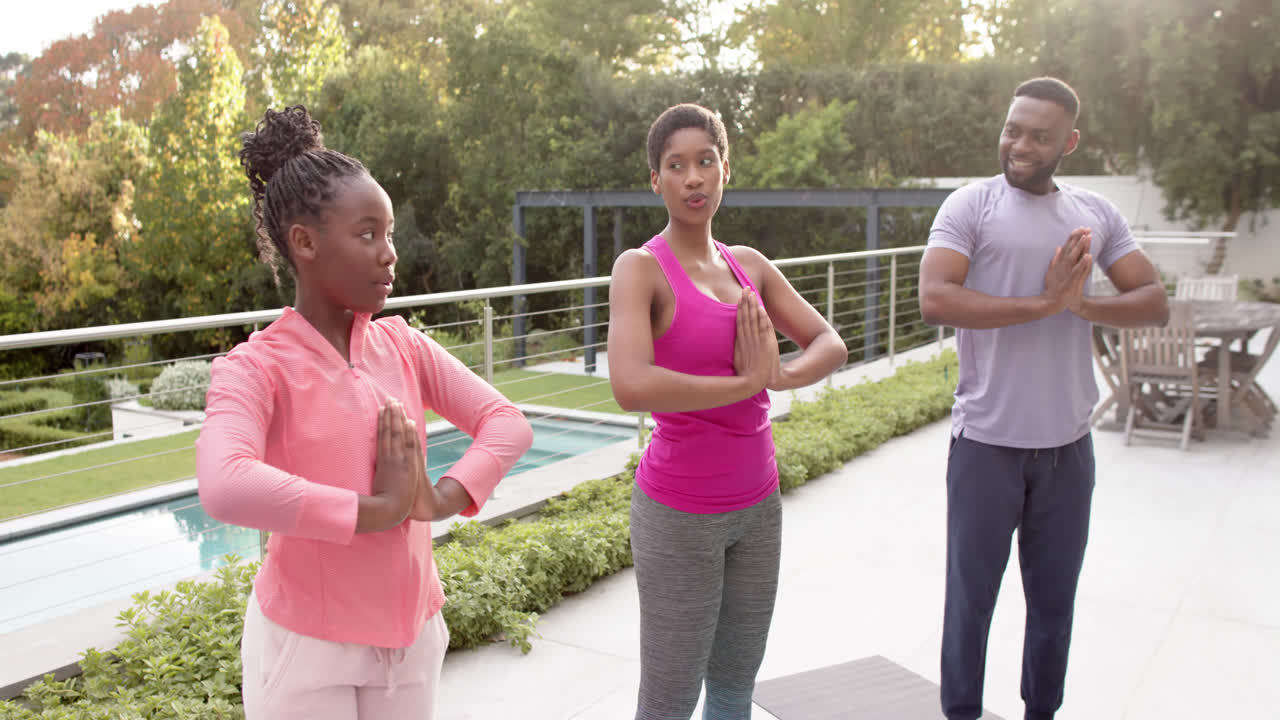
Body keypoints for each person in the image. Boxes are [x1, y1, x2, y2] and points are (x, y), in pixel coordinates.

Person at [196, 105, 533, 720]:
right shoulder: (255, 367)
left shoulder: (402, 343)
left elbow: (507, 423)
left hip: (411, 638)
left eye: (390, 233)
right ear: (303, 242)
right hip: (307, 648)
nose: (389, 255)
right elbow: (223, 484)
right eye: (368, 234)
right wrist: (375, 512)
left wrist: (440, 499)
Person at [919, 77, 1169, 720]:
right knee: (970, 602)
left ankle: (1041, 712)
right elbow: (937, 298)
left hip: (1067, 450)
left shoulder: (1095, 214)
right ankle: (962, 713)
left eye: (1039, 135)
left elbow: (1153, 300)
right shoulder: (970, 206)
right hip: (985, 447)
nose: (1020, 145)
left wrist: (1082, 304)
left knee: (1055, 605)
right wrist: (1045, 304)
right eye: (1012, 129)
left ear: (1070, 143)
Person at [607, 102, 848, 720]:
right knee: (669, 697)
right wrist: (746, 384)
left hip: (757, 506)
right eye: (676, 165)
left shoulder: (751, 267)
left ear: (724, 171)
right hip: (678, 513)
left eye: (705, 161)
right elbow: (631, 384)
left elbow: (831, 343)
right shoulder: (640, 270)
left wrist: (779, 376)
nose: (693, 177)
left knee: (737, 683)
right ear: (656, 181)